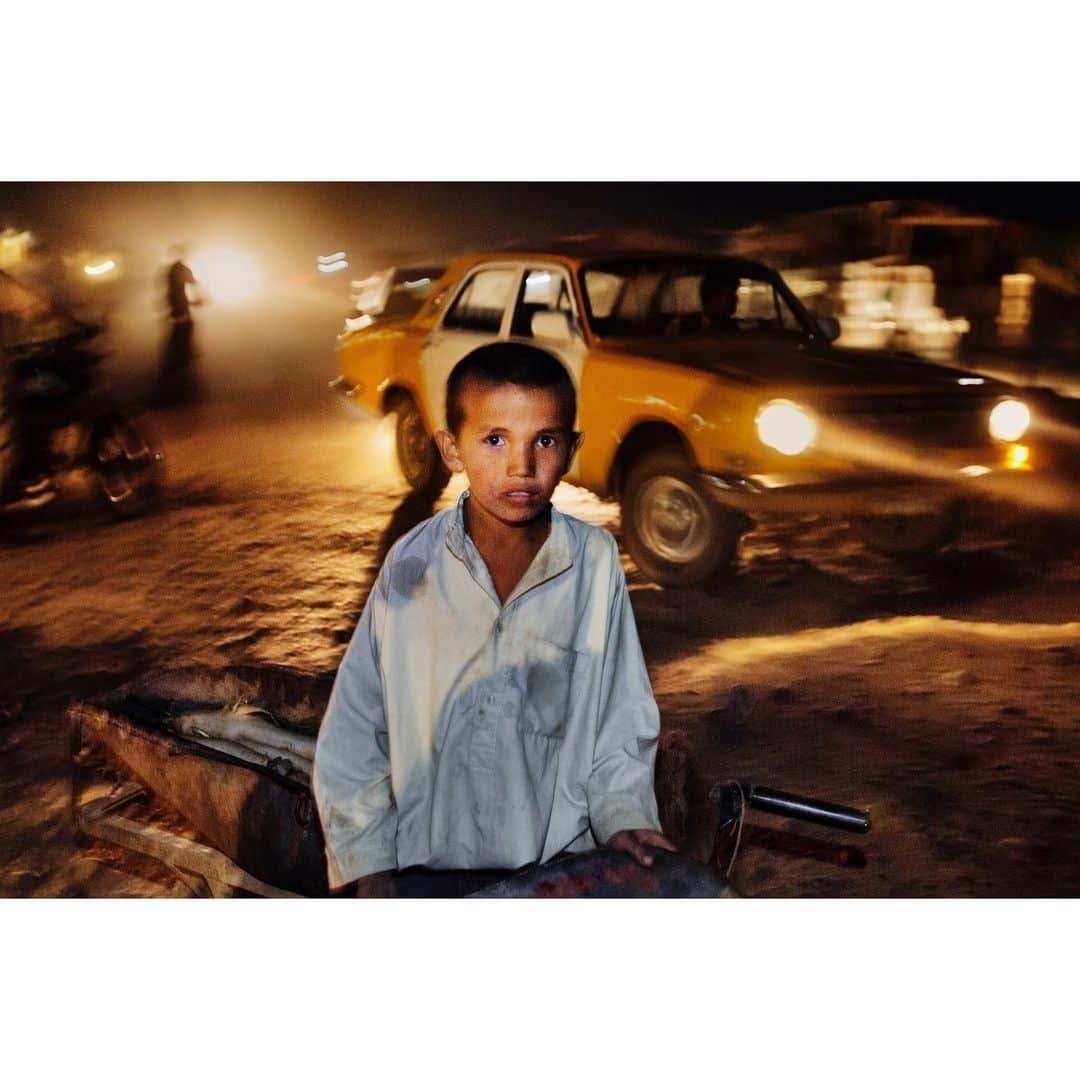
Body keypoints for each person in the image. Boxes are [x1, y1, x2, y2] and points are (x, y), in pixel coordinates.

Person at [313, 342, 674, 898]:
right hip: (427, 869)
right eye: (494, 439)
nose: (521, 466)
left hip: (554, 870)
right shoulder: (412, 564)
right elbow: (360, 725)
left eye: (545, 441)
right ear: (451, 449)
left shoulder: (594, 562)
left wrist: (625, 816)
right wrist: (369, 863)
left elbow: (619, 716)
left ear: (572, 448)